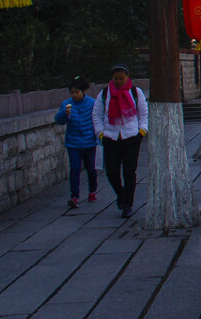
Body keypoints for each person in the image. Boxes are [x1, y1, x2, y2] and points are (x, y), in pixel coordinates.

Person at [93, 63, 149, 219]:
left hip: (131, 136)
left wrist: (142, 131)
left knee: (129, 172)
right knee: (111, 171)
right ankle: (120, 194)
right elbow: (97, 115)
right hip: (111, 137)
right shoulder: (104, 94)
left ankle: (127, 204)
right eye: (116, 78)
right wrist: (101, 133)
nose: (118, 81)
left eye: (121, 78)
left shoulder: (135, 92)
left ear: (127, 77)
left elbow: (143, 113)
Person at [55, 76, 99, 209]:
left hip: (89, 142)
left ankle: (92, 191)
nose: (74, 95)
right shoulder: (67, 104)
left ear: (83, 91)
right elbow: (59, 120)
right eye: (72, 92)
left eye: (77, 92)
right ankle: (74, 196)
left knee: (91, 168)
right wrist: (65, 113)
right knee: (74, 169)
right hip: (73, 143)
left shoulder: (92, 103)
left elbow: (98, 119)